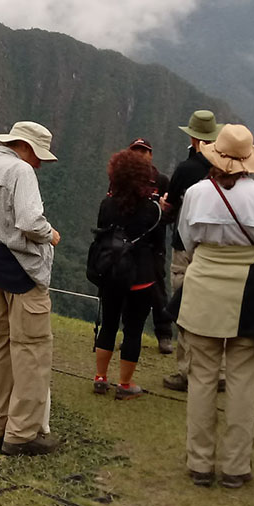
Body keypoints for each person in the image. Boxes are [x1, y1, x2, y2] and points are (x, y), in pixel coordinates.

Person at [177, 124, 254, 488]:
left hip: (202, 292)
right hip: (250, 293)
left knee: (201, 380)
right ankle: (235, 467)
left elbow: (186, 240)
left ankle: (199, 464)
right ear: (248, 162)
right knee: (243, 384)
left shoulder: (196, 193)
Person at [0, 121, 61, 456]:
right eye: (38, 154)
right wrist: (50, 234)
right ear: (26, 147)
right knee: (31, 348)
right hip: (22, 268)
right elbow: (29, 221)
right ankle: (22, 432)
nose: (39, 163)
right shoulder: (21, 171)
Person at [93, 148, 167, 400]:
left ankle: (100, 378)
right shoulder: (152, 210)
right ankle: (125, 385)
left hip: (111, 274)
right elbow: (158, 245)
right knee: (133, 329)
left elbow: (102, 234)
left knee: (109, 325)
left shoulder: (106, 205)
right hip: (141, 278)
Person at [163, 110, 223, 392]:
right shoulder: (227, 169)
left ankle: (187, 371)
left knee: (185, 305)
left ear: (192, 137)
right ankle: (219, 372)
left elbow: (171, 206)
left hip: (186, 248)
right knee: (217, 308)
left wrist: (165, 205)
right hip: (219, 249)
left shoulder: (186, 170)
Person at [127, 137, 174, 354]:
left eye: (144, 151)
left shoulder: (162, 181)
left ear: (151, 155)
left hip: (154, 246)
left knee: (157, 291)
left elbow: (170, 213)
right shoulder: (124, 179)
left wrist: (156, 217)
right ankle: (129, 335)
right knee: (128, 290)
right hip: (130, 246)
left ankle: (164, 335)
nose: (139, 154)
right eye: (136, 150)